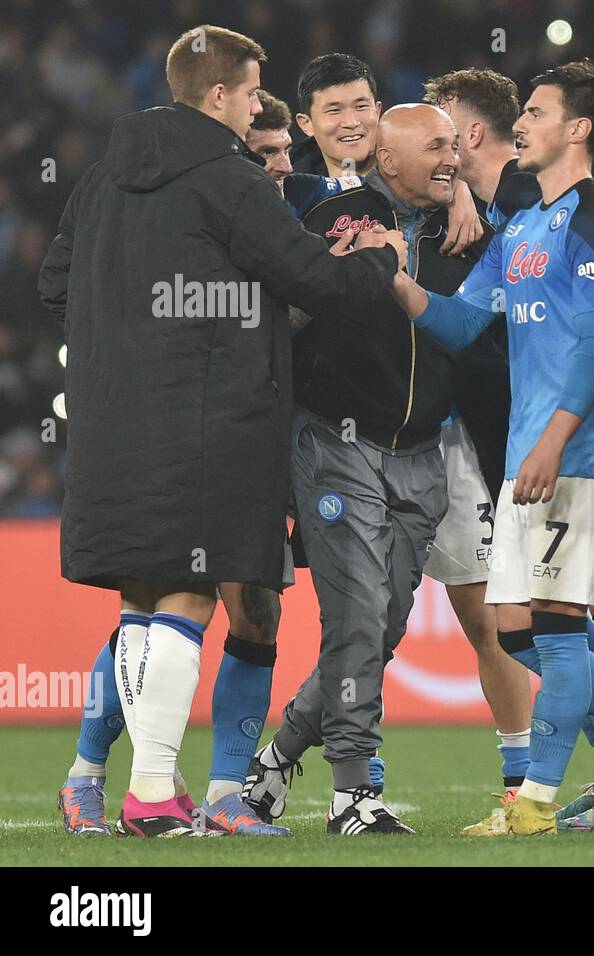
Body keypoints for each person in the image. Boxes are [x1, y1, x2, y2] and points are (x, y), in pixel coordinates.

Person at [36, 24, 404, 838]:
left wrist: (126, 354)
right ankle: (152, 796)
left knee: (145, 596)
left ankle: (153, 793)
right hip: (208, 418)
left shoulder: (99, 178)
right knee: (192, 590)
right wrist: (381, 256)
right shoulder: (227, 180)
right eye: (247, 94)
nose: (250, 110)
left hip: (112, 416)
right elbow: (315, 279)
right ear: (219, 95)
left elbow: (55, 286)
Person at [393, 61, 594, 837]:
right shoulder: (521, 227)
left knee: (568, 623)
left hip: (585, 447)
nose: (521, 122)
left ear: (578, 129)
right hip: (530, 450)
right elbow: (464, 326)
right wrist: (395, 282)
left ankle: (533, 801)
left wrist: (556, 442)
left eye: (535, 111)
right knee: (516, 624)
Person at [53, 88, 308, 839]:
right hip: (200, 426)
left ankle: (226, 794)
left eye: (288, 151)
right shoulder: (185, 201)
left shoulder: (305, 202)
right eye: (266, 155)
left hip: (272, 427)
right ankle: (90, 776)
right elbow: (63, 284)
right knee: (166, 591)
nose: (282, 166)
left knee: (258, 605)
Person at [242, 103, 489, 835]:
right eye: (439, 147)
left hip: (424, 454)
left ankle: (276, 760)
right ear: (389, 161)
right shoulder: (329, 218)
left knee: (382, 627)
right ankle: (352, 793)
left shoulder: (473, 229)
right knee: (355, 617)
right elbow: (276, 315)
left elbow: (477, 330)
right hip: (335, 444)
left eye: (455, 146)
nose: (454, 159)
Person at [290, 53, 481, 256]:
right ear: (306, 124)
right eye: (334, 110)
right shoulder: (290, 185)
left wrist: (456, 188)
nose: (352, 122)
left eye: (361, 106)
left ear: (377, 110)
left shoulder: (423, 174)